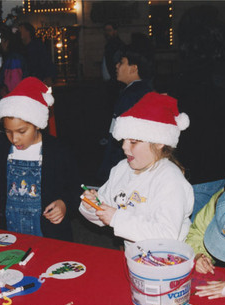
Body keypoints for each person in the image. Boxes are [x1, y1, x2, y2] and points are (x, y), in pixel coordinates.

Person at [79, 92, 194, 243]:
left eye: (133, 142)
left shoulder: (170, 180)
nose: (125, 148)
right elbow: (105, 210)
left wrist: (117, 219)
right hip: (135, 255)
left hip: (166, 259)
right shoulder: (122, 169)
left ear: (159, 142)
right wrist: (92, 205)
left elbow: (167, 234)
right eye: (124, 141)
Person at [0, 77, 77, 241]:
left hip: (48, 234)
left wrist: (64, 204)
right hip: (10, 232)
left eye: (22, 131)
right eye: (8, 131)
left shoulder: (58, 151)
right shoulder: (0, 153)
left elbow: (74, 189)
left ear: (37, 124)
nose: (14, 139)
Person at [97, 44, 154, 183]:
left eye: (122, 62)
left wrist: (108, 169)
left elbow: (119, 137)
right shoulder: (142, 91)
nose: (116, 66)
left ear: (134, 68)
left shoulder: (131, 96)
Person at [18, 22, 56, 87]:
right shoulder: (22, 49)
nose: (19, 31)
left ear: (28, 32)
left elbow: (46, 61)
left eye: (21, 29)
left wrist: (49, 76)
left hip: (39, 80)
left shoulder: (37, 46)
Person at [0, 29, 28, 97]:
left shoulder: (14, 59)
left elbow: (13, 84)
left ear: (7, 42)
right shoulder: (16, 56)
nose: (0, 44)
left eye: (2, 41)